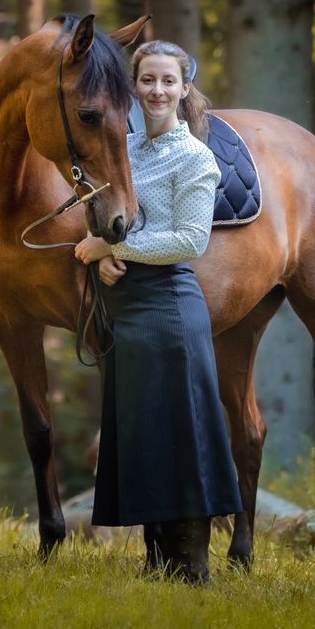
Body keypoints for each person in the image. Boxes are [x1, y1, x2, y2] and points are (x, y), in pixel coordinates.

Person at [74, 40, 242, 582]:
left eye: (168, 81)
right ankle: (156, 563)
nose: (157, 90)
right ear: (133, 86)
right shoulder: (123, 146)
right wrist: (103, 257)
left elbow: (190, 241)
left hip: (170, 308)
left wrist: (110, 250)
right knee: (144, 433)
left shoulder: (194, 156)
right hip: (127, 310)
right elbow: (110, 212)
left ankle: (192, 566)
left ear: (183, 88)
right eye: (147, 80)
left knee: (184, 434)